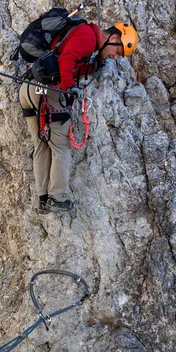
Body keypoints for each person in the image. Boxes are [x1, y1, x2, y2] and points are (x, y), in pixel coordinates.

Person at [19, 22, 138, 214]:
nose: (115, 57)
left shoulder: (83, 37)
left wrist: (92, 67)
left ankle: (42, 199)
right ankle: (57, 198)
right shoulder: (88, 36)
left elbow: (71, 62)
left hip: (28, 89)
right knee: (62, 146)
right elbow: (67, 59)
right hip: (47, 91)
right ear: (114, 38)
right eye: (118, 52)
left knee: (41, 145)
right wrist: (68, 86)